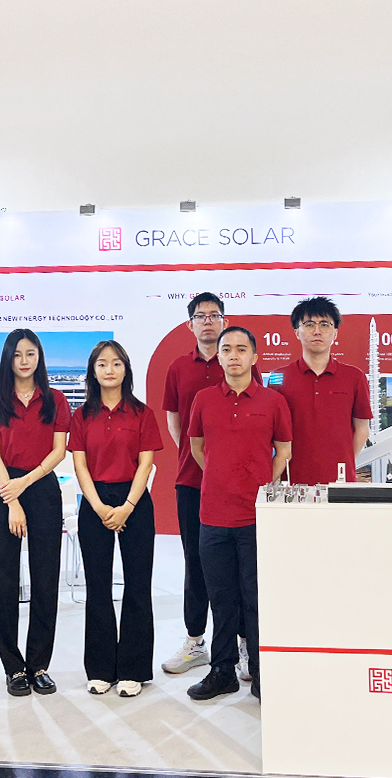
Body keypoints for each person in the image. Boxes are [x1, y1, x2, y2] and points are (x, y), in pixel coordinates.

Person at [186, 326, 291, 702]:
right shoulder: (203, 399)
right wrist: (221, 478)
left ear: (254, 357)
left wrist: (259, 484)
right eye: (227, 349)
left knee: (255, 598)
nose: (234, 355)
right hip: (213, 515)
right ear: (219, 357)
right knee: (221, 598)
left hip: (255, 516)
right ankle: (223, 671)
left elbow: (283, 451)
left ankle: (261, 672)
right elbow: (197, 448)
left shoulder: (273, 401)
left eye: (242, 349)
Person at [161, 292, 261, 683]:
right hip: (192, 481)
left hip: (241, 488)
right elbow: (175, 422)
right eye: (200, 316)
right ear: (190, 324)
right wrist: (201, 460)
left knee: (242, 569)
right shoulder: (177, 368)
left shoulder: (240, 362)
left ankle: (243, 642)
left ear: (224, 321)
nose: (207, 321)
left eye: (214, 315)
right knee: (196, 562)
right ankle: (195, 640)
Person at [0, 329, 71, 696]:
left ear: (39, 357)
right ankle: (13, 667)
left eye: (31, 353)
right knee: (3, 580)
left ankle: (39, 665)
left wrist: (26, 483)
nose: (24, 360)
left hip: (43, 486)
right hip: (5, 488)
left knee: (46, 578)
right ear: (8, 359)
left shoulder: (56, 399)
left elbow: (58, 451)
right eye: (17, 354)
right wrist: (11, 500)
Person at [68, 340, 164, 698]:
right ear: (93, 372)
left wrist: (126, 507)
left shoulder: (142, 414)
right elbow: (79, 465)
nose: (110, 370)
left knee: (137, 586)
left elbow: (146, 464)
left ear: (126, 369)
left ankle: (133, 670)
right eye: (102, 364)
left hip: (134, 501)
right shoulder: (81, 416)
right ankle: (100, 669)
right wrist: (97, 506)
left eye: (117, 363)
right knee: (98, 587)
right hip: (94, 502)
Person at [274, 296, 373, 485]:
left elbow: (362, 428)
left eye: (325, 325)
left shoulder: (355, 377)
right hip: (293, 482)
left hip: (341, 482)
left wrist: (344, 461)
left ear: (335, 333)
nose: (317, 331)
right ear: (297, 332)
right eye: (309, 325)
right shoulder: (279, 377)